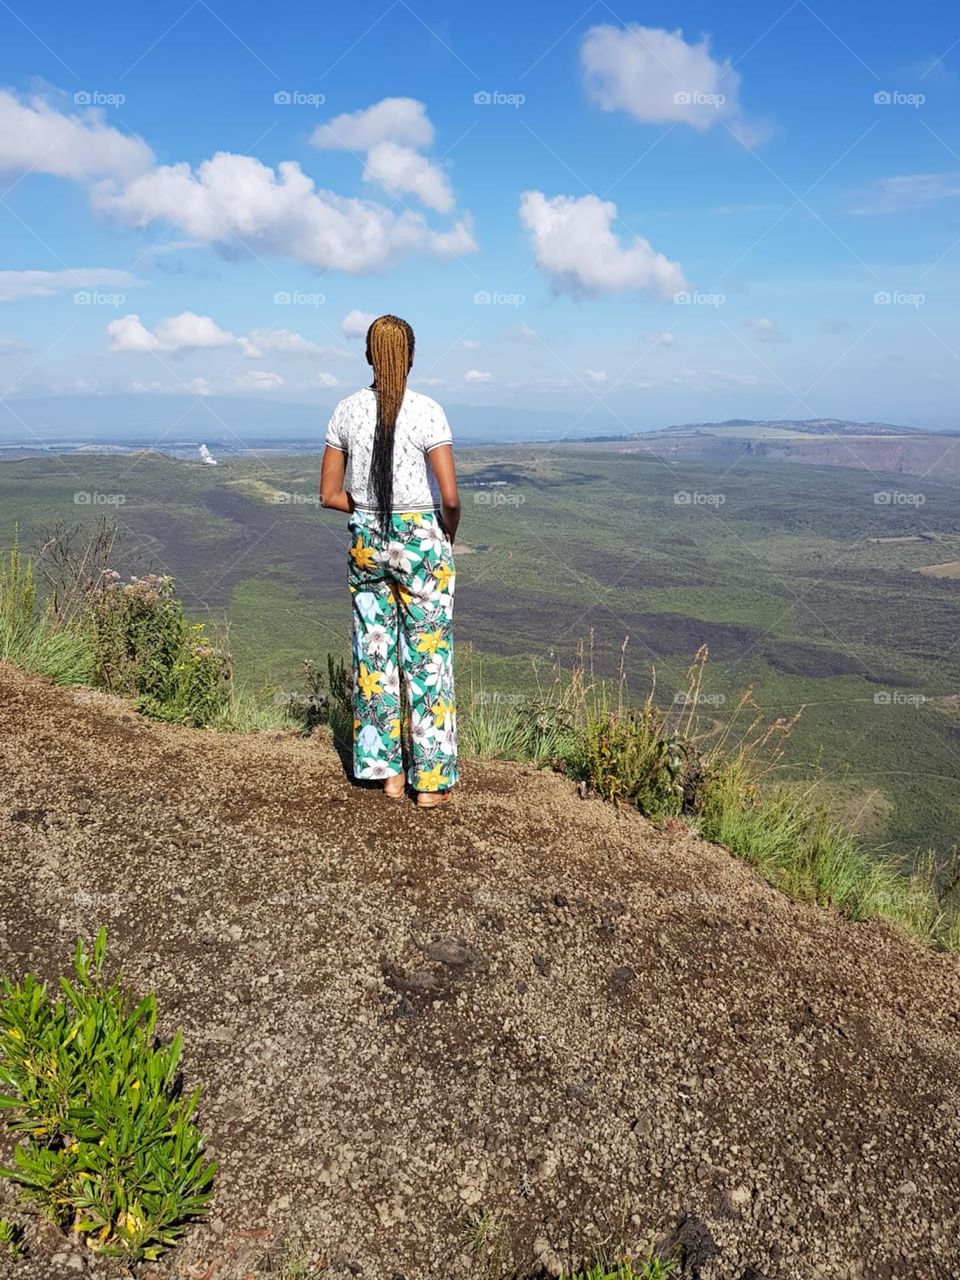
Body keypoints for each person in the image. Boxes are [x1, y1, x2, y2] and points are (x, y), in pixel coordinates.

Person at [320, 314, 460, 809]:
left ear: (367, 356)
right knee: (428, 656)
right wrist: (446, 533)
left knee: (374, 655)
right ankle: (431, 784)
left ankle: (389, 776)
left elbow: (328, 494)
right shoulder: (427, 412)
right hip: (421, 542)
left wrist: (365, 509)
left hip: (367, 540)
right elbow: (450, 497)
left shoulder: (345, 411)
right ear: (413, 357)